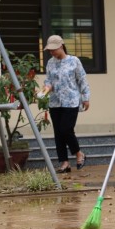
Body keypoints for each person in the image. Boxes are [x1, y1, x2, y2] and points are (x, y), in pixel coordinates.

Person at [40, 35, 90, 174]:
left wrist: (86, 97)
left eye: (54, 49)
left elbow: (82, 79)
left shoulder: (74, 61)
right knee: (58, 133)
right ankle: (64, 162)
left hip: (71, 101)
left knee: (66, 129)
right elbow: (48, 80)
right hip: (55, 102)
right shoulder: (50, 62)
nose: (52, 53)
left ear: (61, 46)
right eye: (50, 50)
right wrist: (45, 89)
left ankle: (79, 153)